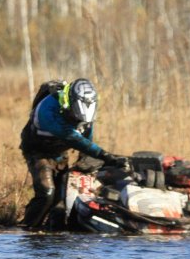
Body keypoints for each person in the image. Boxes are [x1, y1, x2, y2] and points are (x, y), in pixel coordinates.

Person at [19, 78, 127, 229]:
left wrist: (85, 162)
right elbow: (73, 138)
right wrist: (106, 156)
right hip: (37, 151)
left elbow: (86, 137)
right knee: (47, 193)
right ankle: (28, 229)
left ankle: (52, 234)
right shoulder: (48, 110)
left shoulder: (86, 113)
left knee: (61, 203)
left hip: (60, 152)